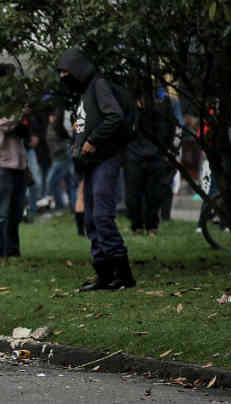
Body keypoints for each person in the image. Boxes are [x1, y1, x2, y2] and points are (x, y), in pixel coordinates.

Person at [57, 47, 135, 291]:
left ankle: (123, 276)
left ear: (77, 69)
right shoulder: (86, 92)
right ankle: (104, 275)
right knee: (91, 218)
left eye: (65, 72)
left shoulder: (99, 86)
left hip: (105, 159)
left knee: (101, 216)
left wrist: (92, 142)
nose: (62, 77)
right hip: (91, 163)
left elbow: (115, 117)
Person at [0, 64, 29, 258]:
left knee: (16, 210)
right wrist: (22, 111)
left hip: (19, 161)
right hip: (1, 162)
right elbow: (6, 124)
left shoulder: (17, 100)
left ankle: (13, 251)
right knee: (1, 211)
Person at [124, 91, 177, 236]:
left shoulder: (163, 103)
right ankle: (138, 225)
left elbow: (171, 127)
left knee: (153, 195)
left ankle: (150, 226)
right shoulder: (130, 104)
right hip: (136, 155)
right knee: (134, 196)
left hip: (153, 155)